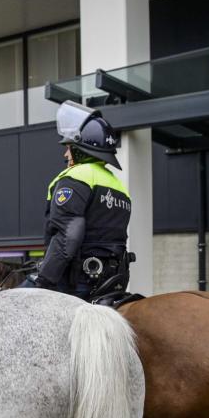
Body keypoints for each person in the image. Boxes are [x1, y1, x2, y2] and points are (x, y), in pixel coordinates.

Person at [19, 102, 131, 299]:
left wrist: (44, 280)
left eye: (69, 148)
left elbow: (67, 236)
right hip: (112, 280)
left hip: (76, 281)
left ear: (82, 148)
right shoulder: (118, 185)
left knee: (13, 303)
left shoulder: (76, 176)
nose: (66, 154)